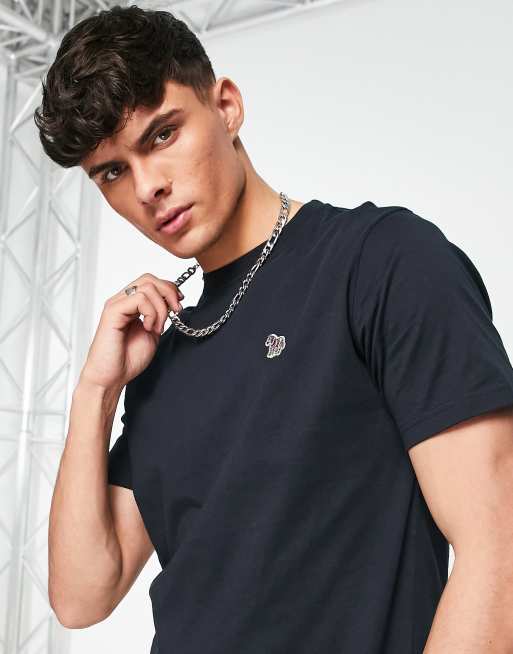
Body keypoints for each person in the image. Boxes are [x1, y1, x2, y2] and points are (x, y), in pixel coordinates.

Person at [34, 5, 513, 653]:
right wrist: (96, 391)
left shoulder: (380, 262)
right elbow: (81, 595)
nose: (146, 188)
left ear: (226, 107)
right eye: (112, 171)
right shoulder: (162, 357)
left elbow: (497, 546)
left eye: (162, 135)